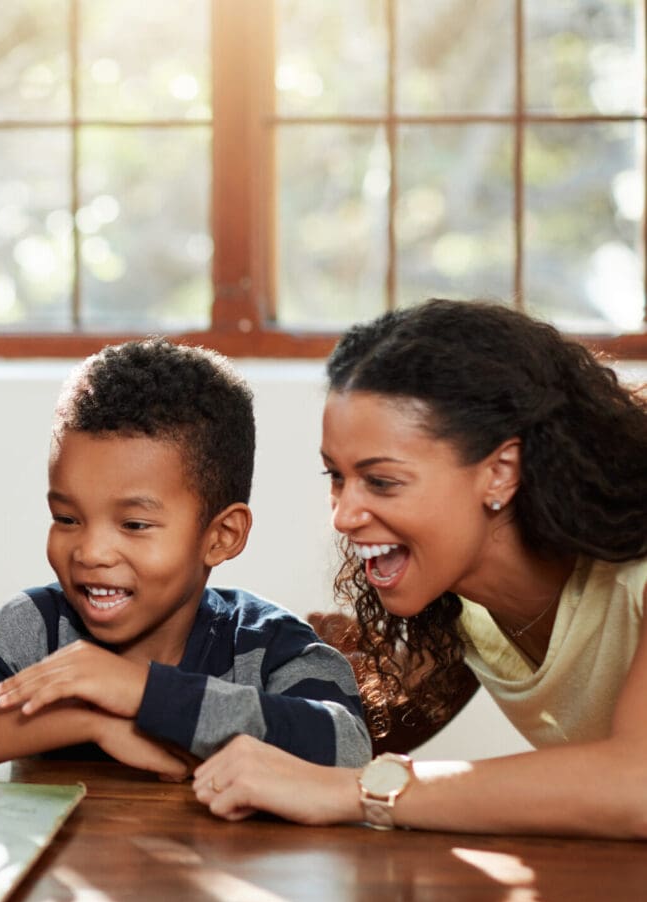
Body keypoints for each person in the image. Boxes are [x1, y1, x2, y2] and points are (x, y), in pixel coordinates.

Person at [195, 300, 647, 839]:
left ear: (500, 472)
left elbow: (635, 784)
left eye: (381, 482)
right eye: (336, 477)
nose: (343, 516)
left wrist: (359, 792)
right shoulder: (459, 604)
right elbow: (336, 738)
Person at [0, 339, 370, 780]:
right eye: (67, 518)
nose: (90, 552)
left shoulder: (266, 645)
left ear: (221, 536)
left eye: (133, 525)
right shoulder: (36, 629)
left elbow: (348, 748)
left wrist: (144, 692)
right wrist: (87, 716)